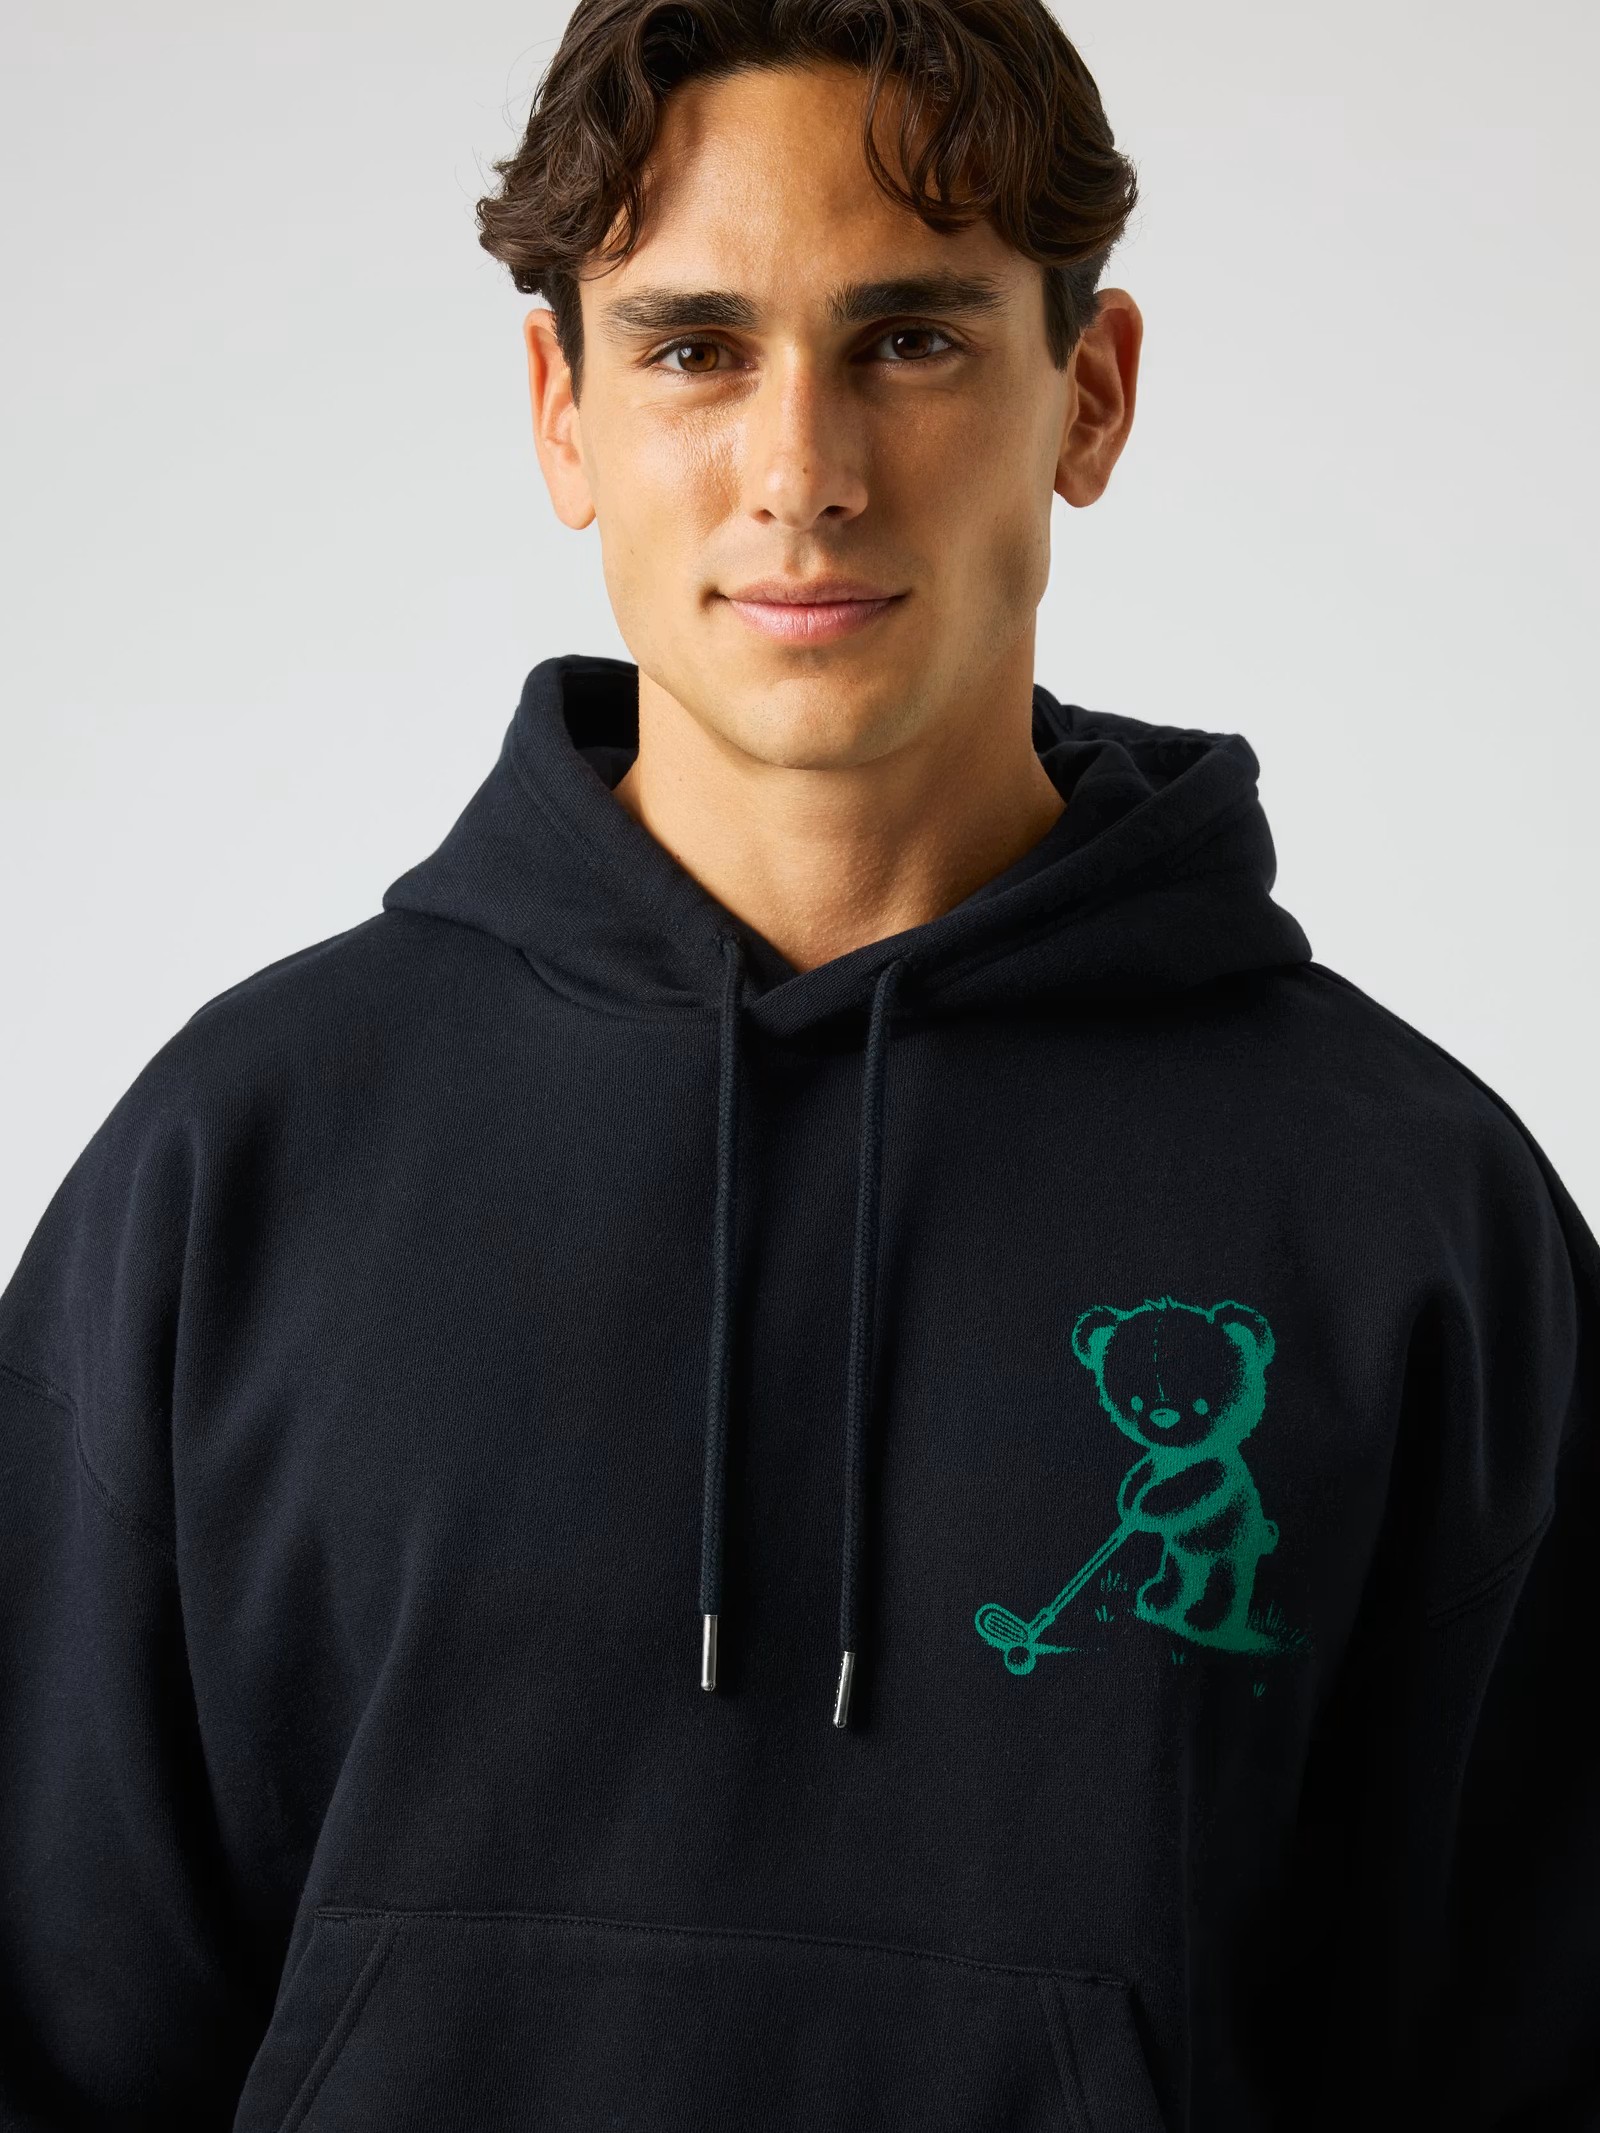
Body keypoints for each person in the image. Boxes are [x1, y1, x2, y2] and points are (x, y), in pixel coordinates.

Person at [2, 2, 1594, 2127]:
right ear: (562, 413)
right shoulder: (238, 1164)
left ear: (1090, 393)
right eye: (693, 348)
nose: (802, 472)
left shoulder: (1409, 1212)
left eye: (910, 339)